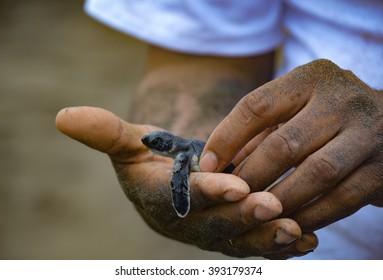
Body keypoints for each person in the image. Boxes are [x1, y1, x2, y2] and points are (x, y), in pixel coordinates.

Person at [56, 0, 383, 259]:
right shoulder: (183, 153)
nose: (152, 144)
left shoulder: (183, 157)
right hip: (314, 244)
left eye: (156, 144)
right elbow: (202, 58)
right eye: (155, 143)